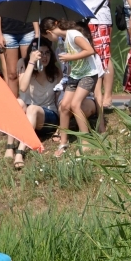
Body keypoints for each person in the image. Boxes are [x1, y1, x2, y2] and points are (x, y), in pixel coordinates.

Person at [52, 0, 113, 117]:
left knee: (98, 66)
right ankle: (79, 106)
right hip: (73, 20)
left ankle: (100, 115)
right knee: (75, 64)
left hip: (95, 19)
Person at [0, 0, 39, 159]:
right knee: (11, 73)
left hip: (27, 30)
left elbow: (33, 10)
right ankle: (13, 113)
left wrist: (37, 31)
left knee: (27, 69)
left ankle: (28, 108)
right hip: (9, 32)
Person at [41, 18, 97, 157]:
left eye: (47, 37)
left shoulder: (73, 34)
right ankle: (63, 142)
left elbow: (90, 50)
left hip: (88, 74)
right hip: (75, 75)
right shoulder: (64, 39)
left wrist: (70, 58)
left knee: (75, 105)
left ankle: (86, 141)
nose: (50, 40)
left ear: (49, 32)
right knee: (65, 106)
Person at [11, 43, 62, 169]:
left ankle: (20, 152)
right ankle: (10, 146)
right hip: (30, 117)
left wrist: (60, 129)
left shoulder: (56, 72)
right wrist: (31, 63)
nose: (44, 56)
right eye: (40, 53)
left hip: (49, 116)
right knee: (18, 102)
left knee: (32, 109)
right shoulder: (25, 68)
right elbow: (22, 88)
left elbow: (60, 100)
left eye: (47, 53)